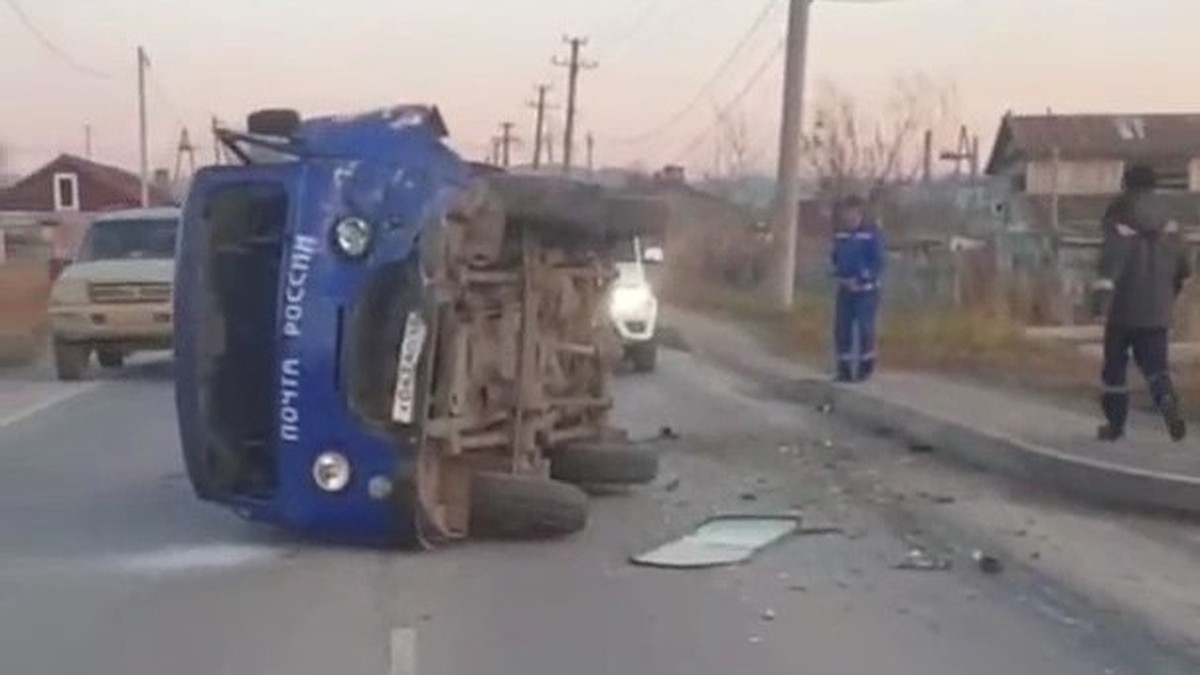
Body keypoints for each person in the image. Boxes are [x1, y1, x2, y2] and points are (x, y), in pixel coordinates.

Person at [1093, 164, 1191, 442]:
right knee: (1157, 369)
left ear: (1127, 184)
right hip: (1158, 310)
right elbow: (1184, 267)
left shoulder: (1117, 214)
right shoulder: (1170, 219)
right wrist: (1168, 294)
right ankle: (1173, 420)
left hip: (1121, 309)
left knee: (1115, 369)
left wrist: (1098, 305)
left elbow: (1109, 263)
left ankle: (1115, 426)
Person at [830, 195, 885, 382]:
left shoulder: (871, 233)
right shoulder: (840, 234)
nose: (848, 216)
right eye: (845, 211)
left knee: (865, 328)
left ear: (859, 212)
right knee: (841, 328)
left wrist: (861, 278)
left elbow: (877, 261)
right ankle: (843, 369)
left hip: (866, 291)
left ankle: (865, 367)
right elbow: (836, 258)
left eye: (851, 211)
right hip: (845, 289)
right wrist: (841, 277)